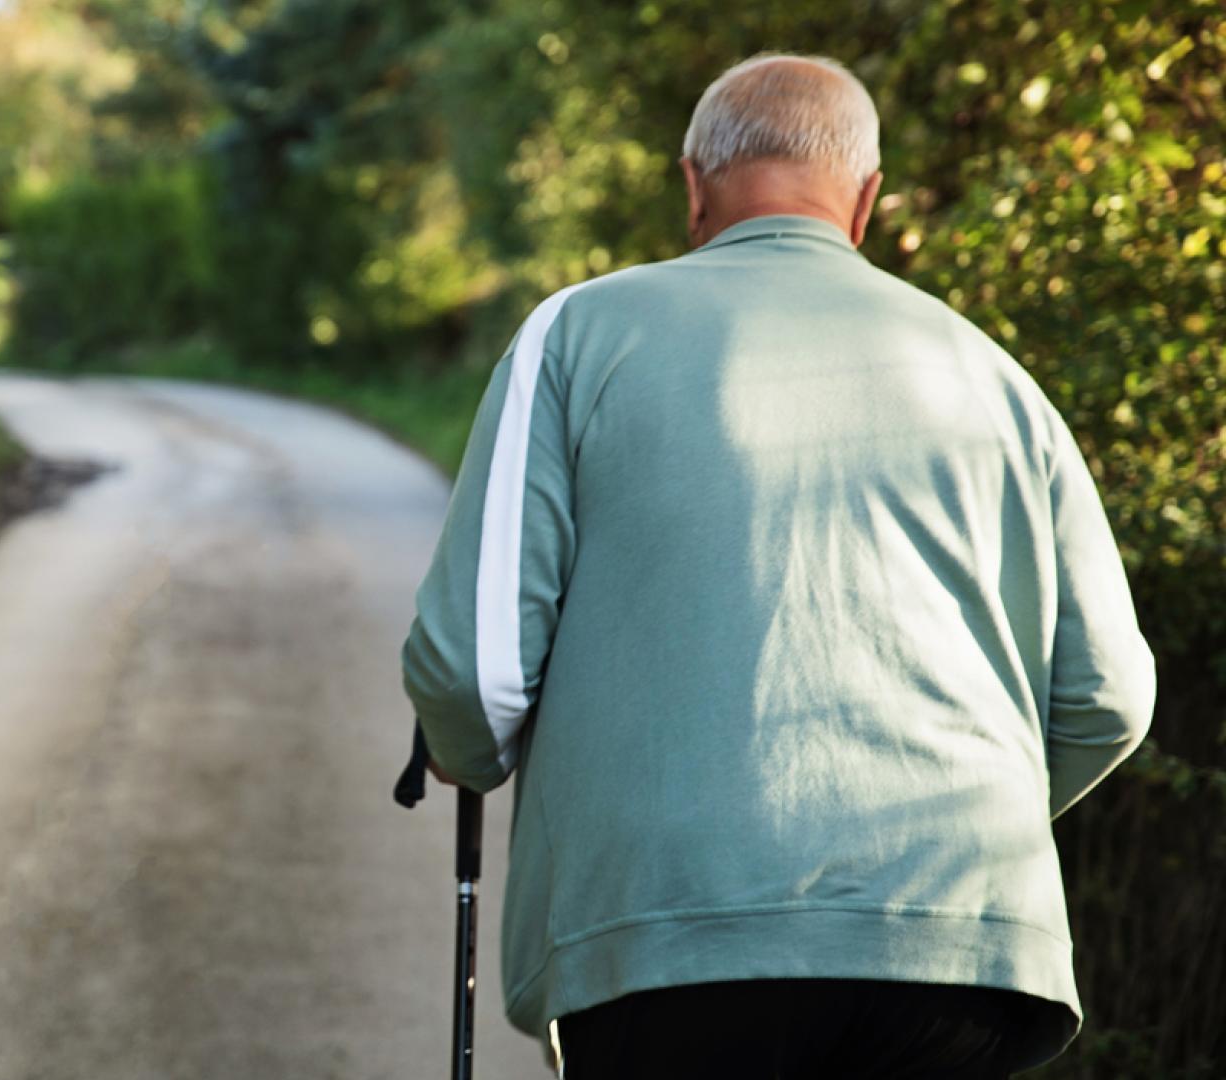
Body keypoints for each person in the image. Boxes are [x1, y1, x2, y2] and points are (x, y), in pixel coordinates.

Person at [400, 53, 1156, 1078]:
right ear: (869, 200)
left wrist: (465, 748)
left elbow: (476, 672)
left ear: (692, 185)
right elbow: (1108, 695)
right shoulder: (993, 376)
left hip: (678, 944)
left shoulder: (579, 334)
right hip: (964, 947)